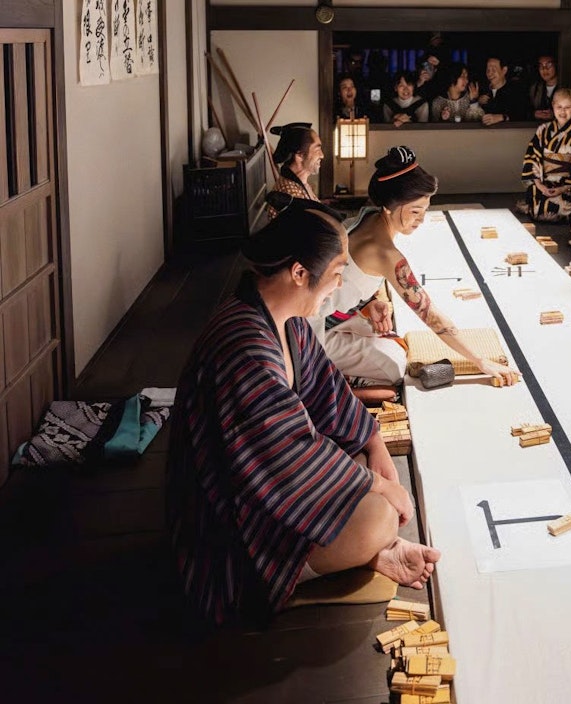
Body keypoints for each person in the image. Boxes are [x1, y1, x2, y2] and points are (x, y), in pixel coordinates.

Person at [167, 198, 441, 626]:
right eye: (335, 274)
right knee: (378, 516)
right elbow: (286, 456)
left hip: (273, 480)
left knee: (369, 478)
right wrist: (377, 487)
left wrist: (374, 445)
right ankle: (288, 575)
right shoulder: (245, 346)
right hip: (229, 523)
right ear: (299, 273)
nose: (338, 287)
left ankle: (373, 553)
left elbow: (327, 391)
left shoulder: (287, 319)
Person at [340, 146, 521, 387]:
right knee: (392, 365)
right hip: (316, 328)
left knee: (392, 343)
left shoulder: (368, 216)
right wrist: (481, 361)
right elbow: (431, 316)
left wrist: (371, 302)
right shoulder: (385, 252)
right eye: (415, 211)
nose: (421, 219)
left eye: (425, 210)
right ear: (389, 207)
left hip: (337, 313)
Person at [517, 89, 571, 223]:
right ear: (553, 106)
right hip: (544, 184)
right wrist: (540, 185)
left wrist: (562, 188)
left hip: (567, 186)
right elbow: (532, 157)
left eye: (568, 107)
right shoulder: (543, 130)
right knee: (534, 193)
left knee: (565, 206)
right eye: (559, 107)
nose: (563, 112)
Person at [268, 122, 321, 216]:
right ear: (299, 155)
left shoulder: (300, 184)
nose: (322, 155)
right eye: (317, 150)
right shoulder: (291, 196)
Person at [480, 55, 530, 126]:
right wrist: (478, 103)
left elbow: (524, 114)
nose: (490, 74)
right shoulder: (483, 91)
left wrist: (502, 117)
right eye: (488, 70)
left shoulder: (516, 91)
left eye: (494, 70)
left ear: (504, 70)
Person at [529, 54, 558, 121]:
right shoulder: (535, 89)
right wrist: (535, 114)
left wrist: (554, 114)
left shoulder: (563, 86)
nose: (544, 69)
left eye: (549, 65)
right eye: (541, 66)